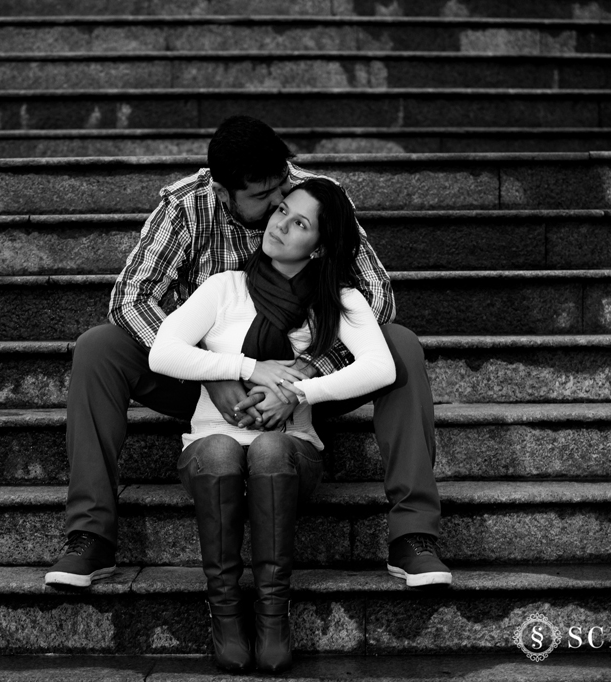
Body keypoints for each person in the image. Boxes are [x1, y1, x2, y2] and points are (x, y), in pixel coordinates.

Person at [44, 115, 450, 594]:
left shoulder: (310, 197)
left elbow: (376, 295)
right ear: (222, 192)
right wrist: (215, 376)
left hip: (309, 384)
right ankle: (90, 534)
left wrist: (305, 373)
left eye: (282, 185)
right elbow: (130, 300)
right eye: (264, 198)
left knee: (398, 343)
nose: (280, 205)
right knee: (98, 347)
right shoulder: (186, 207)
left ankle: (414, 534)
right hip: (204, 384)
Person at [148, 177, 396, 672]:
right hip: (208, 443)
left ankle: (272, 613)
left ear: (320, 245)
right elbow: (163, 351)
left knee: (268, 451)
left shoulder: (338, 300)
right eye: (282, 210)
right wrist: (246, 368)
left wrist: (297, 391)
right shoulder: (224, 287)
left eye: (299, 223)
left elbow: (380, 367)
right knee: (220, 450)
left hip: (291, 450)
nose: (280, 224)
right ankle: (225, 612)